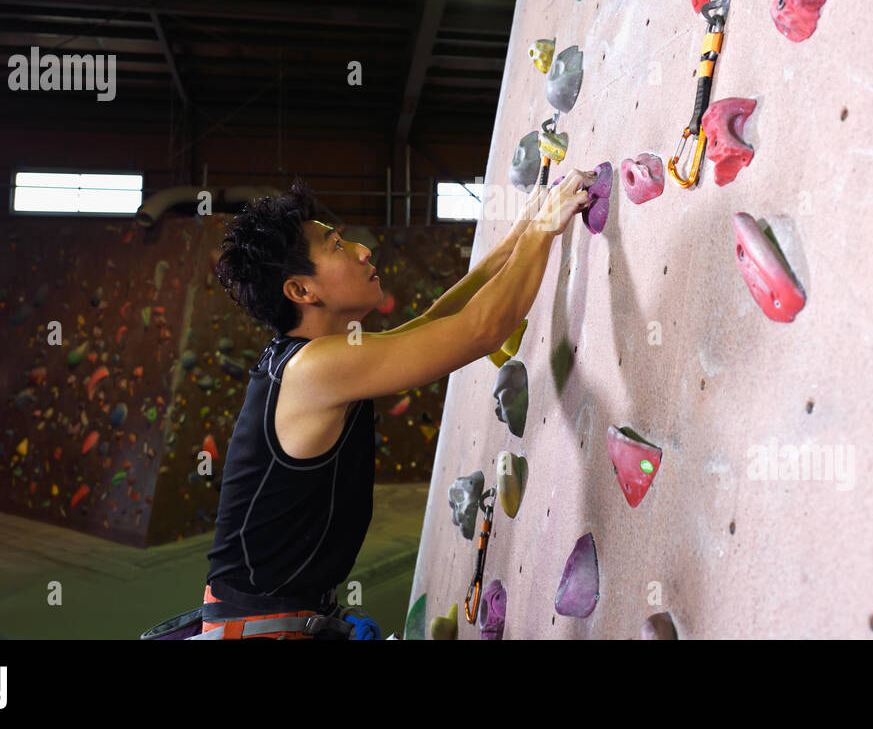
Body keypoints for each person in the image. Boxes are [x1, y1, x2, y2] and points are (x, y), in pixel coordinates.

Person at [200, 170, 598, 639]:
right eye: (337, 247)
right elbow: (481, 331)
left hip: (270, 616)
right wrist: (543, 231)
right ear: (301, 291)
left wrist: (520, 234)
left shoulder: (312, 358)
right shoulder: (316, 368)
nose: (363, 250)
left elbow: (437, 321)